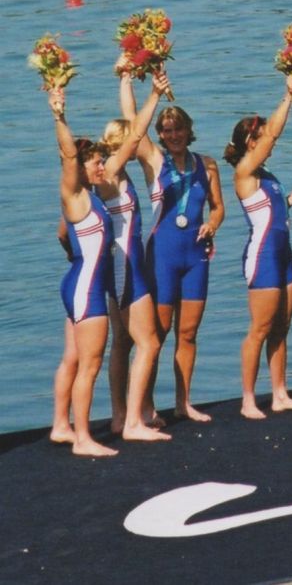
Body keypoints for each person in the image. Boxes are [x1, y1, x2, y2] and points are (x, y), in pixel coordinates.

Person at [123, 76, 226, 422]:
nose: (173, 135)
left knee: (189, 333)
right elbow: (133, 123)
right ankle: (147, 406)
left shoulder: (207, 165)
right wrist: (130, 82)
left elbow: (218, 208)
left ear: (188, 130)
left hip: (195, 257)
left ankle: (184, 403)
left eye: (178, 129)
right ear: (160, 134)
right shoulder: (155, 161)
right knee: (157, 334)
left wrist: (213, 224)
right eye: (166, 131)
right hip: (162, 256)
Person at [224, 72, 292, 418]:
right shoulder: (244, 171)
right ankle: (248, 400)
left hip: (284, 257)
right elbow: (274, 132)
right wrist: (288, 96)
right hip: (263, 258)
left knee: (281, 328)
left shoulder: (267, 176)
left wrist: (291, 198)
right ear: (251, 142)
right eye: (262, 138)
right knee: (260, 330)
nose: (270, 142)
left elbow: (272, 214)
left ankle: (280, 394)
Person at [99, 69, 173, 439]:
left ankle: (119, 417)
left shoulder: (112, 175)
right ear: (120, 145)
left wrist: (125, 80)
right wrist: (155, 95)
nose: (137, 143)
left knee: (122, 342)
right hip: (125, 267)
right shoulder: (111, 172)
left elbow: (133, 125)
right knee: (150, 342)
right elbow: (138, 129)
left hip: (117, 265)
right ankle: (133, 423)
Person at [47, 87, 117, 456]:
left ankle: (62, 425)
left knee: (73, 359)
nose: (102, 167)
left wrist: (74, 255)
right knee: (90, 365)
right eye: (97, 163)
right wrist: (60, 115)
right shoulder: (75, 194)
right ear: (81, 168)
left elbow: (63, 234)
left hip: (76, 281)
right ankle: (84, 439)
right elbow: (69, 155)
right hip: (86, 288)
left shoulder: (87, 199)